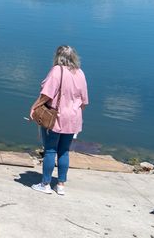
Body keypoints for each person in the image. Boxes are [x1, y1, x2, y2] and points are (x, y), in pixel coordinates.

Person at [28, 45, 89, 196]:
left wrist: (34, 107)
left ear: (58, 56)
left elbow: (46, 95)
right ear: (74, 57)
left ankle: (45, 184)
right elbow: (84, 101)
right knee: (64, 151)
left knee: (50, 150)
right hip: (74, 118)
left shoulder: (57, 70)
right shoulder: (80, 73)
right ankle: (60, 185)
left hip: (56, 117)